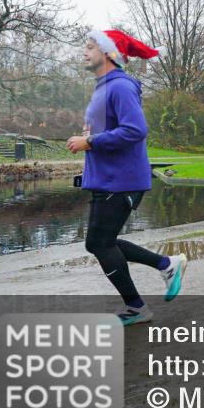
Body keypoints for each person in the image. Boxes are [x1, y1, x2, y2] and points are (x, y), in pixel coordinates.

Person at [66, 29, 187, 326]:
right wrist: (91, 135)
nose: (85, 52)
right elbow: (115, 130)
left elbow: (135, 130)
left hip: (121, 181)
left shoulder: (119, 86)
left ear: (109, 53)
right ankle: (165, 266)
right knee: (101, 241)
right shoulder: (104, 87)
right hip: (108, 179)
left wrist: (91, 142)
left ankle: (141, 302)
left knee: (99, 242)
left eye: (91, 47)